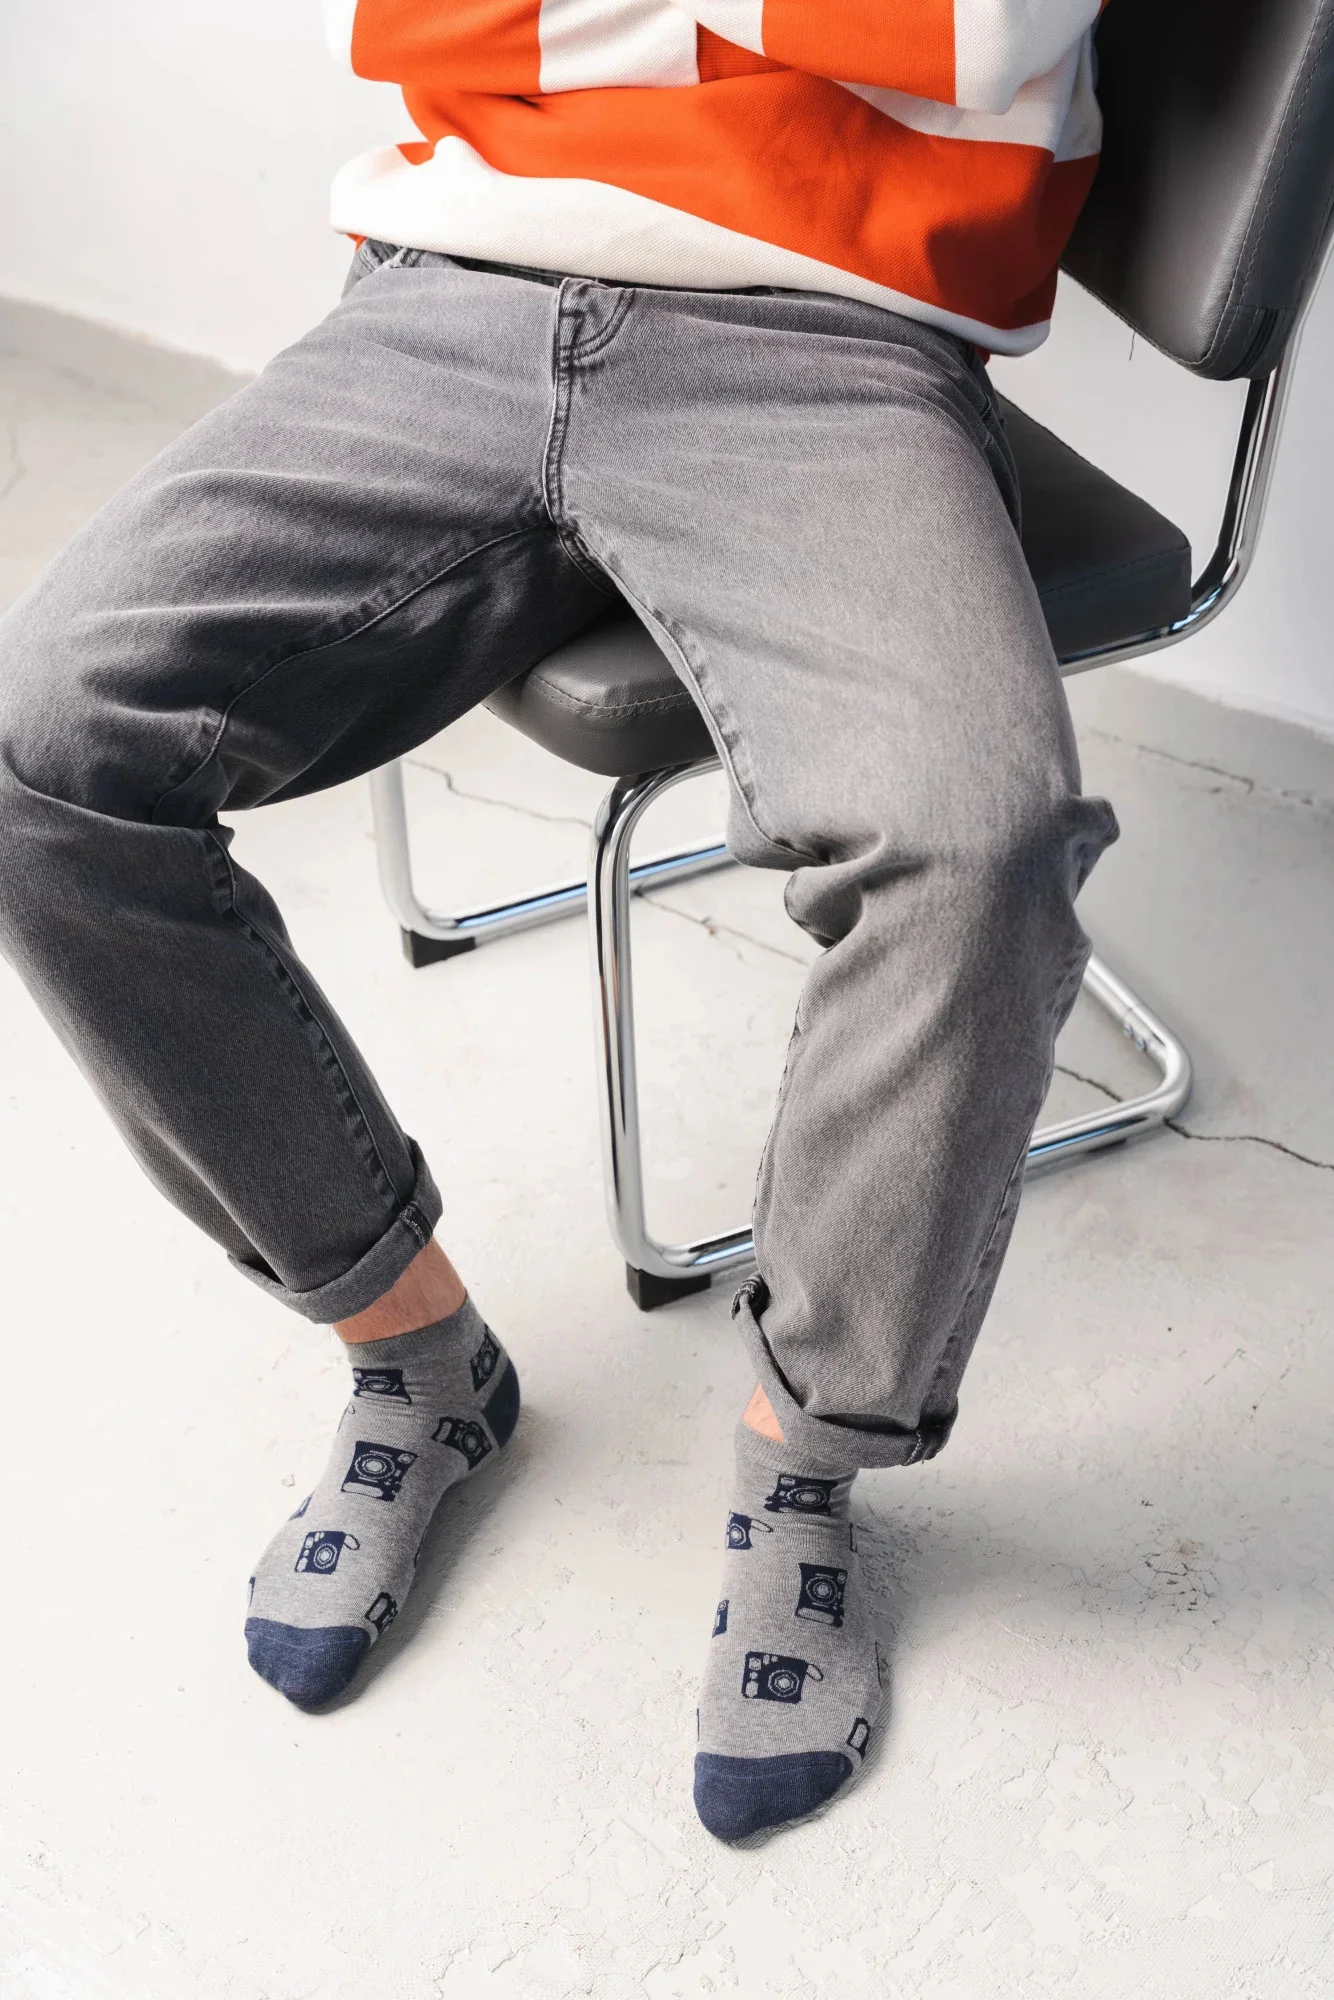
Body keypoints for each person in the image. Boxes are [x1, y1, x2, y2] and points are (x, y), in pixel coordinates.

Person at [0, 0, 1117, 1839]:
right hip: (449, 290)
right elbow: (417, 19)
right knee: (44, 754)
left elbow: (979, 31)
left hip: (829, 339)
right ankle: (414, 1358)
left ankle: (807, 1466)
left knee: (973, 851)